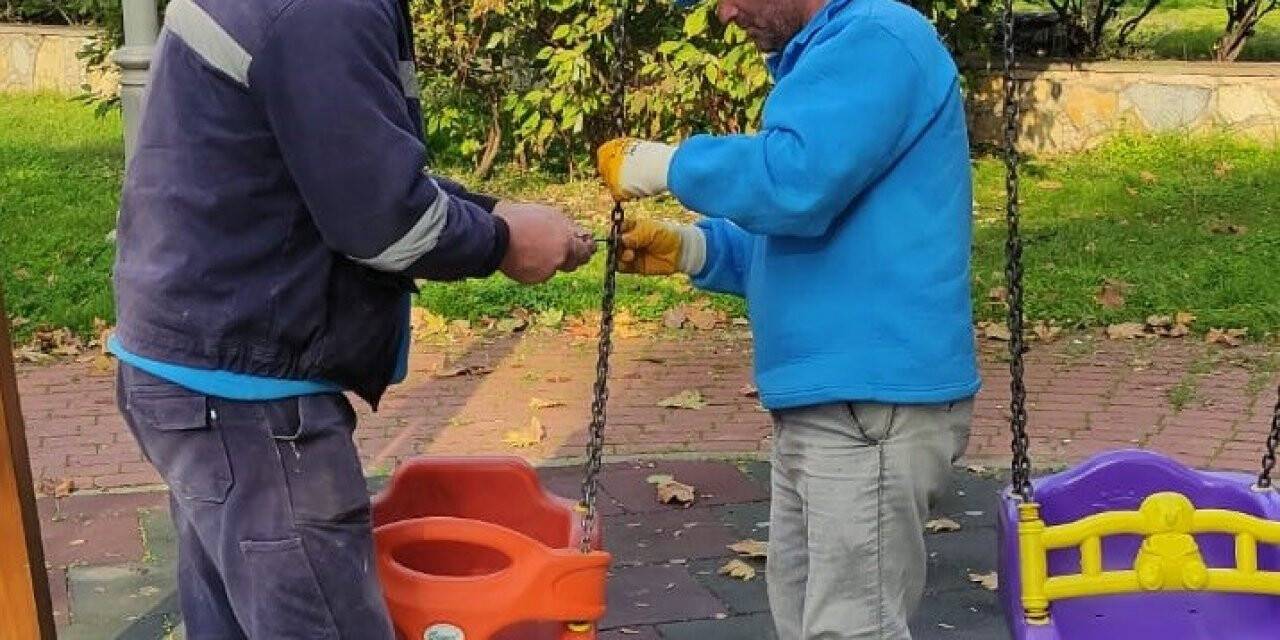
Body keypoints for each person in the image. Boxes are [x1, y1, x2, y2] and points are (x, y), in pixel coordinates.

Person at [107, 0, 594, 637]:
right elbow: (382, 223)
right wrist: (503, 241)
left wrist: (496, 209)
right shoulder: (325, 9)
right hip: (246, 397)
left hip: (201, 374)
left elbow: (347, 168)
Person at [596, 0, 979, 637]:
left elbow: (794, 184)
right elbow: (796, 230)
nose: (723, 13)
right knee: (808, 621)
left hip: (869, 399)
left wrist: (665, 164)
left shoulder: (878, 36)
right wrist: (692, 247)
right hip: (834, 400)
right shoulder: (824, 58)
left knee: (852, 627)